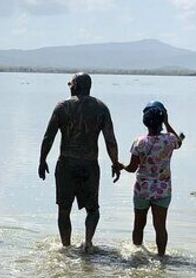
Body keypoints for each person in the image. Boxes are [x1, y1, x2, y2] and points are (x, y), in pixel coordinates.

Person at [38, 72, 122, 252]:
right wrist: (115, 163)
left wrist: (42, 159)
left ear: (75, 86)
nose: (69, 87)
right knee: (92, 209)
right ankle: (88, 242)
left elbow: (48, 137)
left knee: (64, 209)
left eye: (70, 84)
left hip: (66, 164)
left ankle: (66, 246)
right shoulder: (101, 108)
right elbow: (110, 141)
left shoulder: (62, 107)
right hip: (89, 165)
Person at [119, 101, 184, 256]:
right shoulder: (169, 140)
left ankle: (136, 253)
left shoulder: (139, 142)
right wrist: (167, 122)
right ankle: (161, 257)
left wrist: (120, 165)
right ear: (162, 122)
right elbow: (179, 142)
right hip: (163, 191)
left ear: (145, 122)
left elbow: (132, 168)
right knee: (160, 226)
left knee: (138, 225)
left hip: (142, 190)